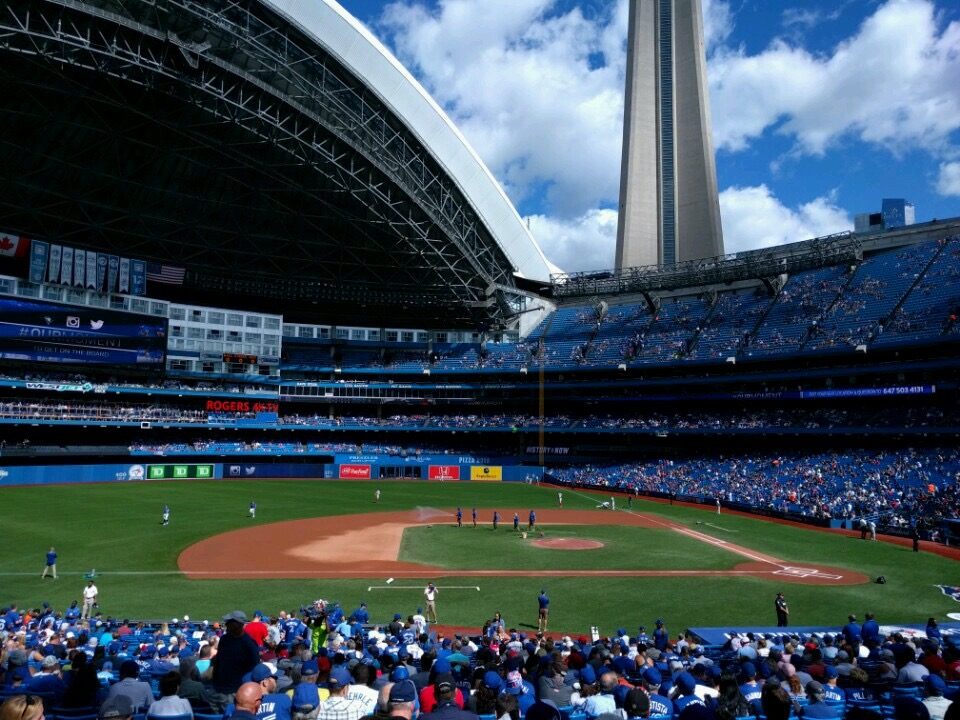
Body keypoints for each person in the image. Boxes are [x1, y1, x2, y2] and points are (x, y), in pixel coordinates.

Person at [209, 610, 261, 713]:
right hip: (216, 689)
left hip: (233, 691)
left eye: (229, 622)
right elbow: (218, 662)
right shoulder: (224, 639)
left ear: (237, 625)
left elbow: (253, 668)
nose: (226, 624)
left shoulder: (249, 644)